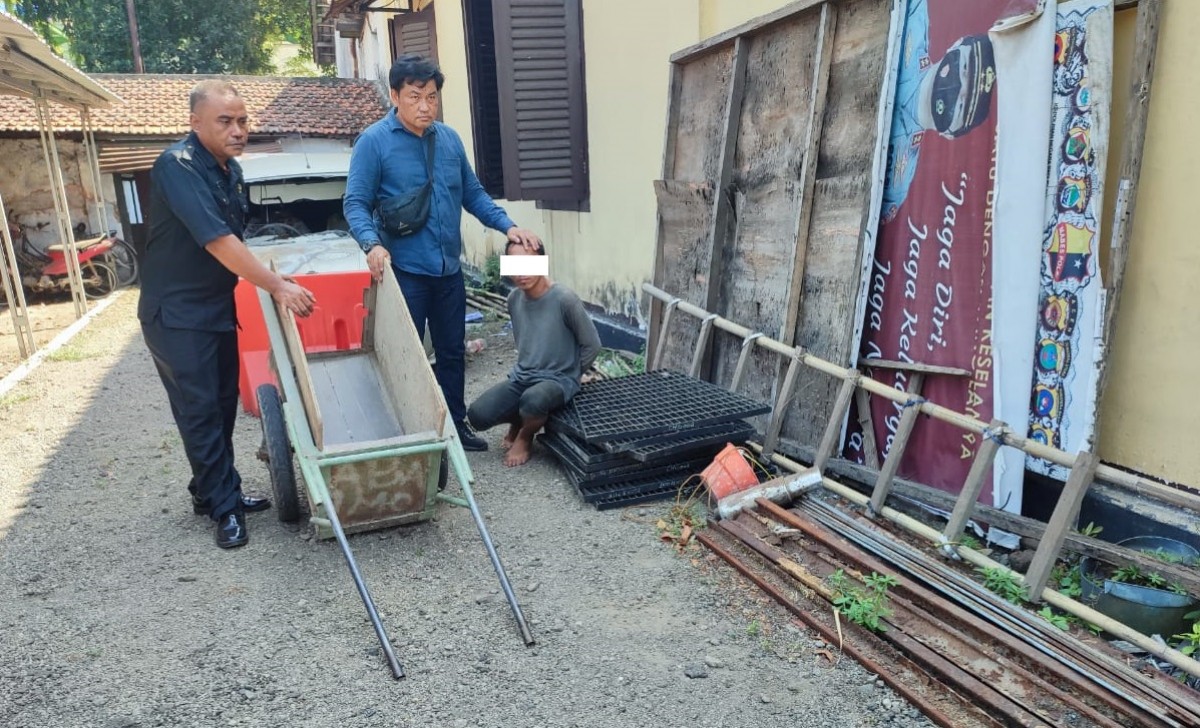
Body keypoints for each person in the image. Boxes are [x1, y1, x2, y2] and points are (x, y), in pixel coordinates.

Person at [139, 80, 316, 550]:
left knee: (219, 407)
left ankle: (208, 492)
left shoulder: (230, 171)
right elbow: (218, 240)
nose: (238, 130)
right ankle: (225, 506)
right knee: (199, 411)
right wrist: (276, 285)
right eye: (225, 121)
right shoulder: (177, 166)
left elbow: (236, 243)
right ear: (195, 122)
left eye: (242, 120)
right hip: (175, 313)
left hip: (214, 308)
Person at [343, 54, 541, 452]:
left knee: (452, 352)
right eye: (415, 96)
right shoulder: (374, 143)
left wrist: (508, 225)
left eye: (432, 97)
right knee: (408, 356)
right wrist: (372, 243)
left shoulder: (449, 140)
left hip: (448, 271)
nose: (425, 106)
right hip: (404, 272)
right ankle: (409, 433)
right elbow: (355, 203)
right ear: (396, 95)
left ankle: (454, 425)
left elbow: (473, 194)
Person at [467, 241, 601, 467]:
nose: (521, 273)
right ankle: (519, 420)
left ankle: (525, 436)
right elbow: (525, 340)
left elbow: (592, 345)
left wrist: (572, 375)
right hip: (523, 378)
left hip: (557, 380)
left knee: (534, 399)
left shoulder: (564, 298)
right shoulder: (514, 299)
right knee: (478, 415)